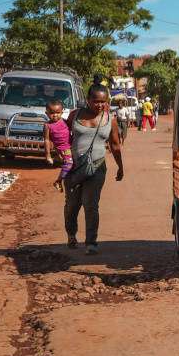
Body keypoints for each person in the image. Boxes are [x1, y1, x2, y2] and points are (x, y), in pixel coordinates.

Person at [62, 84, 124, 255]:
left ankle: (91, 242)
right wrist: (63, 158)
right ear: (88, 100)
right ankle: (71, 234)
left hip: (97, 167)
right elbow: (63, 138)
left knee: (91, 205)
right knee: (72, 205)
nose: (99, 105)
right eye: (96, 101)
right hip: (74, 168)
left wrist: (120, 167)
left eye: (103, 102)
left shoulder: (109, 119)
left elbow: (115, 145)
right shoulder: (75, 115)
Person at [43, 99, 73, 190]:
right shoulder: (47, 125)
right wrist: (48, 155)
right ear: (46, 113)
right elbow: (47, 140)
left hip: (72, 146)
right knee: (69, 164)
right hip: (63, 149)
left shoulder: (65, 121)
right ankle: (58, 181)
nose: (55, 115)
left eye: (58, 112)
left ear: (62, 111)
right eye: (52, 113)